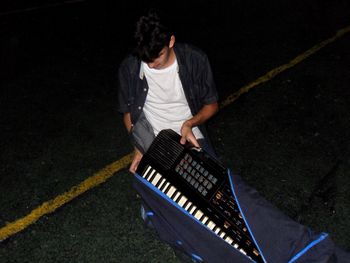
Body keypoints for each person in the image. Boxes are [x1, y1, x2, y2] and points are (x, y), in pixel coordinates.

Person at [117, 9, 219, 175]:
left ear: (170, 41)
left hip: (190, 134)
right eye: (145, 58)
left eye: (157, 56)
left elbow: (212, 105)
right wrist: (139, 147)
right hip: (153, 140)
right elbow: (128, 112)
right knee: (155, 191)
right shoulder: (129, 67)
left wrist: (189, 124)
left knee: (211, 184)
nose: (151, 65)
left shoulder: (195, 59)